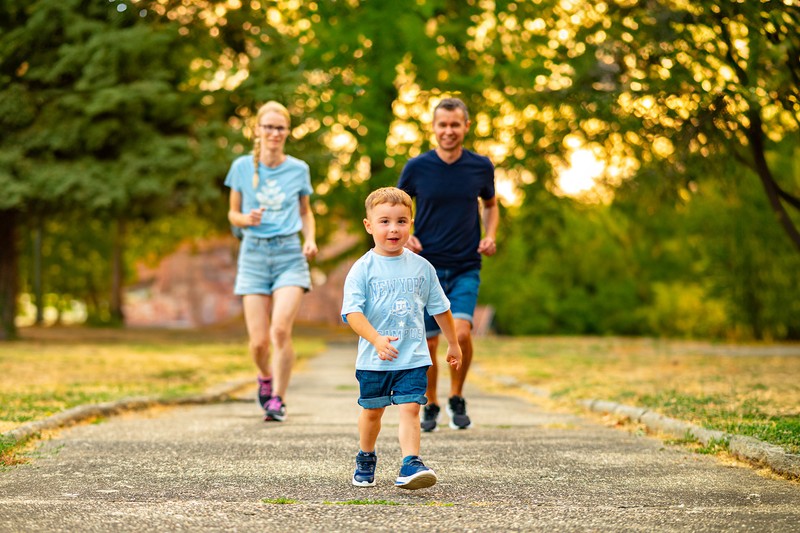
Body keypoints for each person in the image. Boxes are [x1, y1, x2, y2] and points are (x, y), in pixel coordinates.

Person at [341, 187, 462, 490]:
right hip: (374, 359)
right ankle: (366, 456)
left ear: (411, 224)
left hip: (413, 356)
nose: (393, 228)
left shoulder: (422, 267)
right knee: (372, 412)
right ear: (369, 225)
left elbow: (441, 308)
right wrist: (376, 339)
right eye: (384, 221)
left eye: (401, 221)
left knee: (411, 407)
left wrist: (453, 342)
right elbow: (352, 313)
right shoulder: (362, 269)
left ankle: (411, 462)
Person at [398, 96, 499, 432]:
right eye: (443, 124)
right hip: (425, 269)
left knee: (462, 333)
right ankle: (431, 403)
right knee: (428, 343)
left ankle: (456, 395)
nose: (449, 131)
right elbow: (396, 206)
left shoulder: (480, 166)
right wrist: (406, 235)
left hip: (465, 265)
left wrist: (490, 234)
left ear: (466, 126)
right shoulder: (417, 167)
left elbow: (490, 205)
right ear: (434, 127)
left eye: (455, 124)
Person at [224, 101, 318, 423]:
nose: (274, 133)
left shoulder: (299, 169)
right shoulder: (241, 167)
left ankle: (278, 398)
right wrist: (246, 219)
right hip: (253, 255)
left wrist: (310, 239)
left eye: (280, 128)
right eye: (268, 127)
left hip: (289, 255)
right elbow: (232, 213)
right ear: (258, 130)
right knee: (258, 343)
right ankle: (264, 376)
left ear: (287, 131)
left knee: (279, 330)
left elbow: (305, 212)